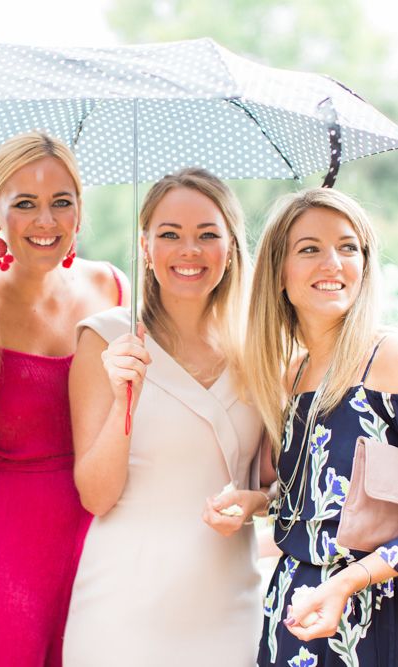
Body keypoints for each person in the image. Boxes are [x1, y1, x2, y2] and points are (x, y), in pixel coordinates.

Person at [0, 132, 129, 666]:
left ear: (80, 213)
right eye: (25, 204)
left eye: (62, 202)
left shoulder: (114, 291)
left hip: (100, 555)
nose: (46, 220)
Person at [63, 168, 272, 666]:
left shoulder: (259, 350)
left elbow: (276, 482)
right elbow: (96, 495)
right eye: (170, 234)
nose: (189, 250)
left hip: (229, 603)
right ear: (145, 245)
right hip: (124, 607)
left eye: (207, 235)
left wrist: (253, 502)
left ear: (231, 245)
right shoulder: (105, 338)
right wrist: (121, 400)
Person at [245, 188, 398, 666]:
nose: (333, 262)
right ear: (278, 273)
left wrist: (347, 582)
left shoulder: (389, 362)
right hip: (293, 613)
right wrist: (258, 500)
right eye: (309, 248)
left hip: (374, 611)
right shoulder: (288, 376)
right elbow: (321, 499)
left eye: (348, 247)